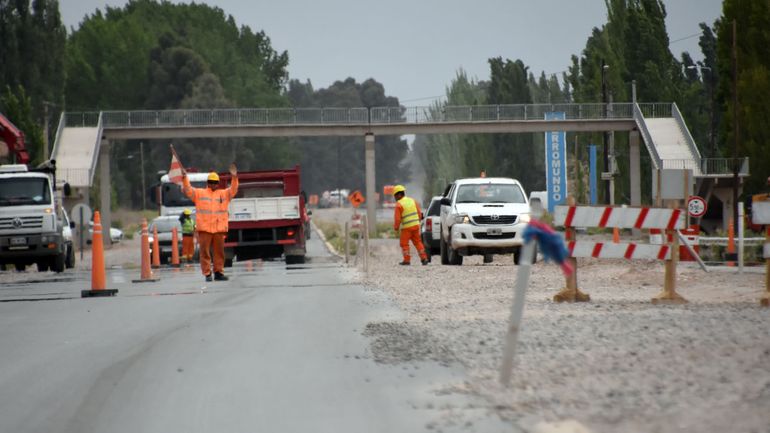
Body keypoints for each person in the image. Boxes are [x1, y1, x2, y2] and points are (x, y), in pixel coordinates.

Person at [182, 164, 238, 281]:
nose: (213, 184)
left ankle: (218, 273)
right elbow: (188, 190)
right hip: (205, 229)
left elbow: (233, 189)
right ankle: (207, 274)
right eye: (211, 182)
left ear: (218, 184)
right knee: (205, 253)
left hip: (218, 229)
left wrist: (234, 177)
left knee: (219, 253)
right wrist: (184, 178)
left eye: (215, 182)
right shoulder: (199, 193)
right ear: (208, 183)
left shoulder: (224, 194)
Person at [392, 184, 428, 266]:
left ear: (399, 194)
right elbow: (419, 213)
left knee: (404, 243)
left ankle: (406, 260)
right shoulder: (412, 201)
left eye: (395, 195)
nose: (395, 198)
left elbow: (397, 219)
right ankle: (424, 258)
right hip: (416, 226)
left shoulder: (399, 204)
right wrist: (418, 221)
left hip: (407, 228)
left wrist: (396, 228)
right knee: (418, 242)